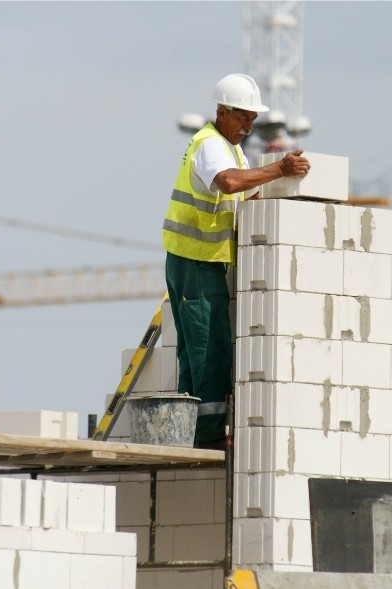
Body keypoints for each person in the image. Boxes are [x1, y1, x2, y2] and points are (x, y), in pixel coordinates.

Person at [161, 73, 311, 449]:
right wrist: (279, 170)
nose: (248, 125)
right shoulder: (211, 145)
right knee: (209, 349)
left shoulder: (232, 150)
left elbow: (242, 198)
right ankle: (208, 437)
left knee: (194, 351)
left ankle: (188, 430)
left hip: (199, 262)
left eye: (252, 118)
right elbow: (228, 183)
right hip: (195, 261)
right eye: (242, 116)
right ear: (221, 111)